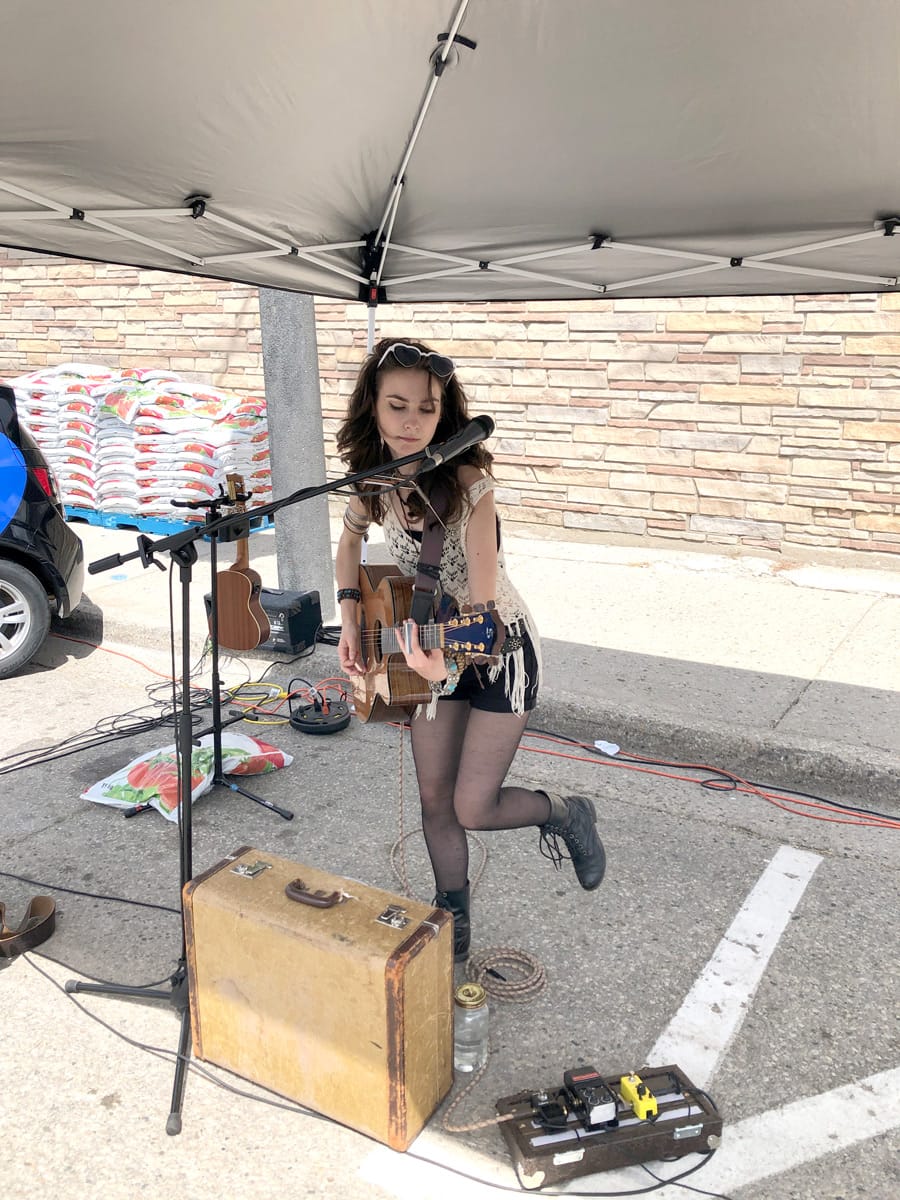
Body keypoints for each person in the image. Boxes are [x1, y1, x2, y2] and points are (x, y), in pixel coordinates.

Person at [335, 337, 605, 961]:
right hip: (433, 646)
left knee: (473, 807)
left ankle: (565, 813)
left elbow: (483, 615)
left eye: (426, 409)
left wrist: (443, 665)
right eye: (397, 405)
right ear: (372, 407)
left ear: (445, 413)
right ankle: (452, 919)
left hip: (499, 652)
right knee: (435, 800)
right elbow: (348, 543)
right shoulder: (374, 483)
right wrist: (350, 618)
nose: (411, 421)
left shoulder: (471, 487)